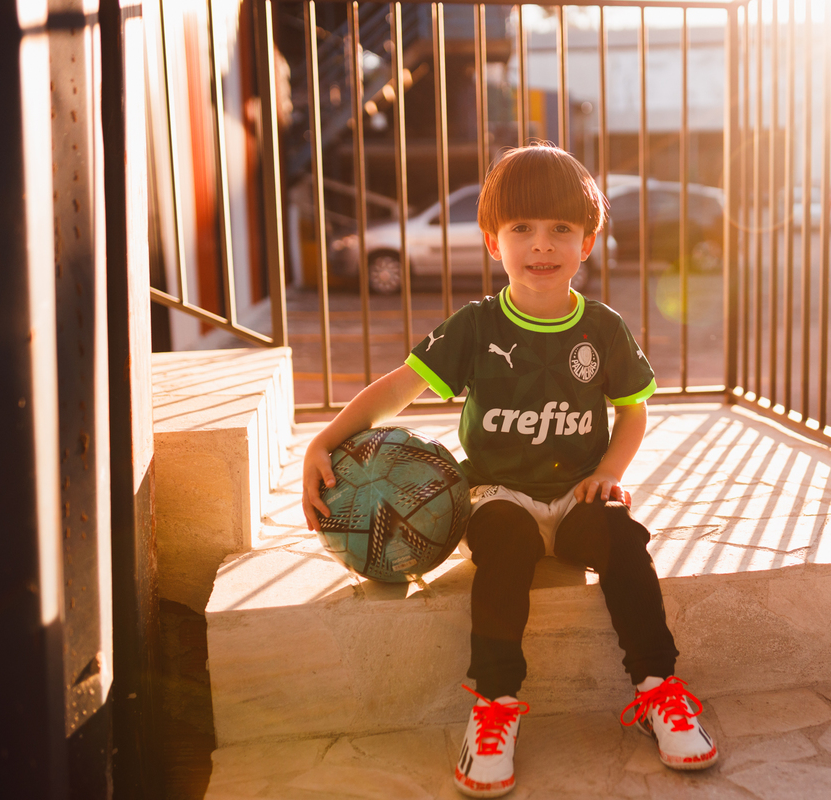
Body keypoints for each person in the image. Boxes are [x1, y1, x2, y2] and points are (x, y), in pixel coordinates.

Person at [301, 143, 717, 798]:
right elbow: (399, 387)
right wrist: (323, 440)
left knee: (626, 544)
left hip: (579, 492)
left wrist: (609, 469)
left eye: (561, 229)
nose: (542, 246)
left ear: (587, 241)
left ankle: (658, 689)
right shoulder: (475, 326)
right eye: (522, 228)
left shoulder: (603, 329)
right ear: (494, 240)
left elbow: (633, 412)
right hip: (501, 494)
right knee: (504, 556)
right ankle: (494, 705)